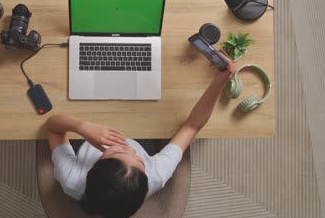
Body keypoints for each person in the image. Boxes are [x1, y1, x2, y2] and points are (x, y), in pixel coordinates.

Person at [46, 59, 235, 218]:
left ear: (93, 166)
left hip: (86, 139)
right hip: (141, 133)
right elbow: (192, 126)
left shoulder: (72, 180)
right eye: (139, 161)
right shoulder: (156, 175)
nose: (131, 149)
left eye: (119, 152)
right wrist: (218, 83)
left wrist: (82, 127)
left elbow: (53, 127)